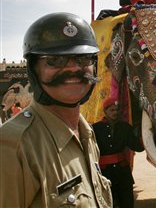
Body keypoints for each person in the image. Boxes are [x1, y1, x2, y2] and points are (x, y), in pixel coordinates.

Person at [0, 12, 112, 207]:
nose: (72, 68)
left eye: (83, 59)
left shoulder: (86, 134)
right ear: (33, 69)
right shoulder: (14, 145)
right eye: (55, 61)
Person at [93, 97, 144, 208]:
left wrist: (145, 136)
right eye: (112, 110)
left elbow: (137, 147)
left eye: (117, 110)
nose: (115, 112)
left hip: (123, 173)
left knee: (126, 203)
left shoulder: (125, 128)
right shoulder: (95, 129)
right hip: (104, 173)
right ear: (105, 111)